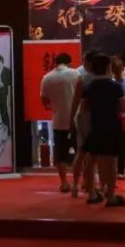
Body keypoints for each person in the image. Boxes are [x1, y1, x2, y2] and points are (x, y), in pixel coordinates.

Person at [80, 54, 125, 206]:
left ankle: (92, 194)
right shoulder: (116, 87)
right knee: (111, 163)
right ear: (108, 67)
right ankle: (111, 196)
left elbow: (85, 109)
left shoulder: (88, 87)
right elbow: (123, 108)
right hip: (112, 127)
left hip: (95, 127)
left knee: (90, 161)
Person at [40, 52, 80, 192]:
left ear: (55, 62)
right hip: (77, 120)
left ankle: (64, 182)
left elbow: (44, 100)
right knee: (80, 152)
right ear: (69, 63)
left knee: (60, 154)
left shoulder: (47, 77)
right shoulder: (75, 74)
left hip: (58, 120)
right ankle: (79, 182)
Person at [70, 50, 99, 197]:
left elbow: (75, 101)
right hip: (95, 118)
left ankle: (75, 185)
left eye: (85, 60)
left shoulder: (82, 78)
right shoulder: (102, 78)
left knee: (81, 152)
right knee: (93, 155)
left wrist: (71, 118)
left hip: (82, 116)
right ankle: (90, 186)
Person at [113, 58, 125, 179]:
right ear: (122, 68)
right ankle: (121, 170)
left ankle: (112, 169)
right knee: (124, 144)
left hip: (111, 117)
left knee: (112, 144)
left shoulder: (109, 83)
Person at [0, 55, 12, 130]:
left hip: (5, 94)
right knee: (1, 111)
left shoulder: (7, 70)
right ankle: (4, 126)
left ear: (1, 62)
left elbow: (8, 83)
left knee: (4, 111)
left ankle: (8, 128)